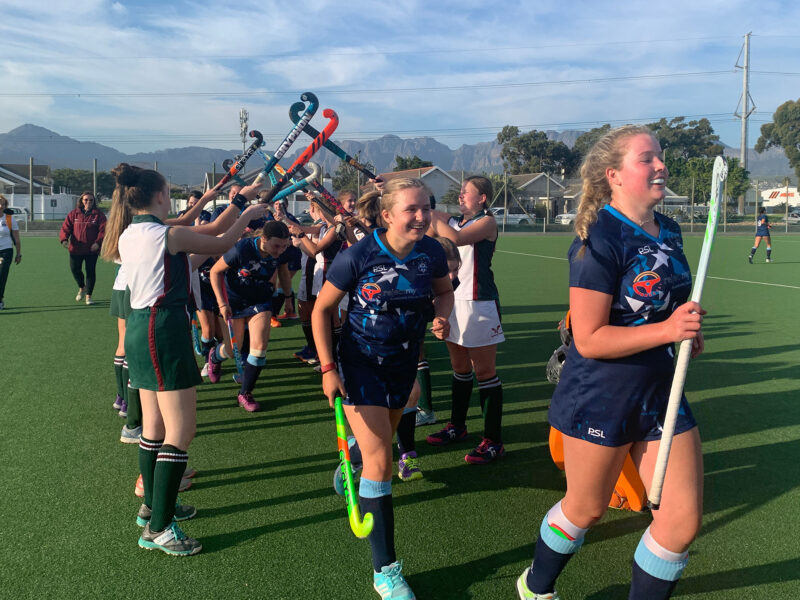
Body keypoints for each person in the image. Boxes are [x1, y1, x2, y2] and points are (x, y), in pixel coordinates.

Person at [515, 125, 704, 600]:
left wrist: (684, 335)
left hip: (662, 392)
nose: (660, 165)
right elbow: (591, 338)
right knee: (587, 508)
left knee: (680, 523)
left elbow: (662, 307)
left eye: (660, 156)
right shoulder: (596, 238)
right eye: (647, 159)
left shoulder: (672, 229)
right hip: (600, 394)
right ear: (613, 174)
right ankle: (535, 586)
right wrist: (666, 331)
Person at [102, 163, 267, 556]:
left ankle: (154, 508)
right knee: (181, 430)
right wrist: (246, 215)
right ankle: (158, 528)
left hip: (145, 329)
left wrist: (241, 201)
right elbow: (222, 239)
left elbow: (204, 235)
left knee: (155, 427)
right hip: (164, 329)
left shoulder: (130, 233)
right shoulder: (168, 234)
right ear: (160, 196)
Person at [312, 178, 453, 599]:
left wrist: (442, 316)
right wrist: (327, 368)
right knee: (382, 462)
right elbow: (322, 310)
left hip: (404, 360)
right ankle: (385, 572)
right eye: (412, 209)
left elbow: (443, 293)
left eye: (426, 207)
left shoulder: (430, 252)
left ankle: (350, 461)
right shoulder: (359, 255)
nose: (422, 216)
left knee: (380, 441)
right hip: (360, 363)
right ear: (388, 215)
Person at [426, 176, 506, 464]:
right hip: (452, 301)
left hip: (480, 304)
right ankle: (457, 427)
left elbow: (455, 239)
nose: (460, 196)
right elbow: (445, 228)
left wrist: (434, 218)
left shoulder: (487, 223)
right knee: (459, 367)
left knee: (484, 371)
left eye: (466, 193)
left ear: (482, 198)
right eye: (459, 193)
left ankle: (494, 441)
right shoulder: (456, 221)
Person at [208, 221, 292, 411]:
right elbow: (215, 272)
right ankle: (215, 356)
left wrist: (288, 298)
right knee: (232, 350)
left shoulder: (281, 252)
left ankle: (245, 393)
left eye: (284, 246)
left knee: (259, 348)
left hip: (260, 300)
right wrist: (222, 303)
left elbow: (284, 274)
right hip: (233, 302)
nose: (279, 251)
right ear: (263, 239)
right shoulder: (242, 249)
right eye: (276, 246)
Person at [60, 191, 107, 305]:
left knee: (90, 272)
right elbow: (66, 228)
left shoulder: (99, 215)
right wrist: (64, 239)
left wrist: (98, 243)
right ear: (81, 200)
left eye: (91, 200)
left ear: (94, 201)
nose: (88, 202)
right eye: (86, 200)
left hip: (92, 250)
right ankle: (82, 287)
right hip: (76, 249)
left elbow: (104, 231)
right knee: (75, 269)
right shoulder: (73, 214)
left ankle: (88, 296)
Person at [0, 194, 22, 310]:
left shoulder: (9, 219)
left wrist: (18, 253)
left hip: (6, 251)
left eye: (2, 204)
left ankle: (0, 299)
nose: (0, 206)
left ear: (5, 206)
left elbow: (16, 238)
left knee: (1, 275)